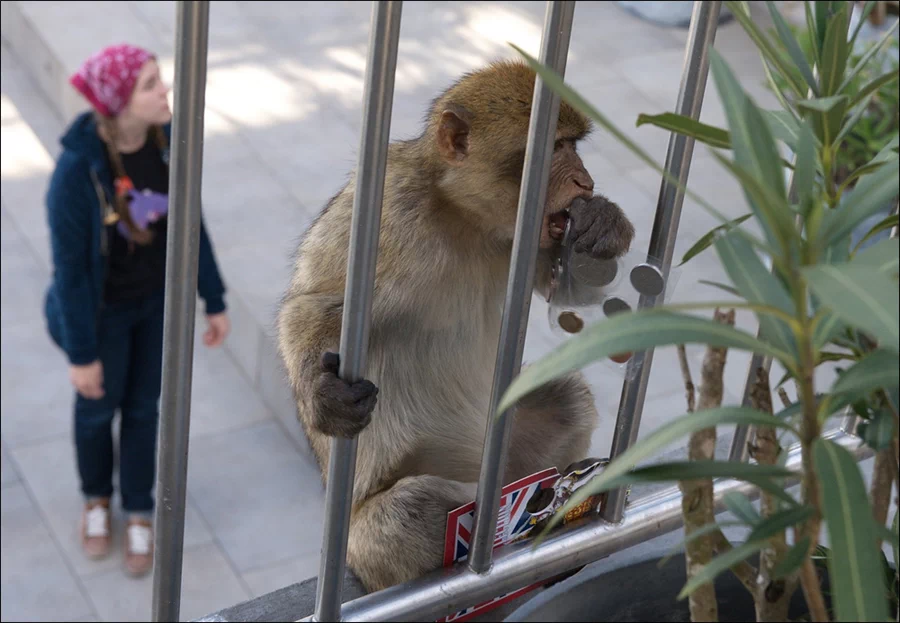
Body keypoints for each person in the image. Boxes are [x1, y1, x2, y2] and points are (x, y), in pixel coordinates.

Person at [43, 43, 230, 577]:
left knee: (146, 409)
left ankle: (140, 508)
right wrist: (82, 354)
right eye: (150, 85)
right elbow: (72, 275)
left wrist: (212, 298)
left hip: (154, 308)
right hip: (101, 316)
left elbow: (189, 222)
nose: (165, 90)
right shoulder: (78, 174)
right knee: (98, 408)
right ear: (119, 104)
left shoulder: (168, 144)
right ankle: (97, 500)